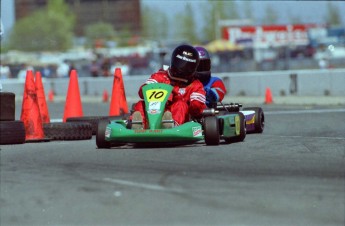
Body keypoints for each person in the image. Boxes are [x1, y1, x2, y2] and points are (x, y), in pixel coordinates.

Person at [131, 44, 206, 129]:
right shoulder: (160, 76)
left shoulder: (195, 85)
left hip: (181, 118)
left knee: (181, 104)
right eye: (180, 63)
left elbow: (197, 107)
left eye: (186, 66)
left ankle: (171, 125)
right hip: (155, 111)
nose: (182, 68)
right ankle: (139, 125)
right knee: (141, 104)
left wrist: (182, 99)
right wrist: (166, 93)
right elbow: (143, 91)